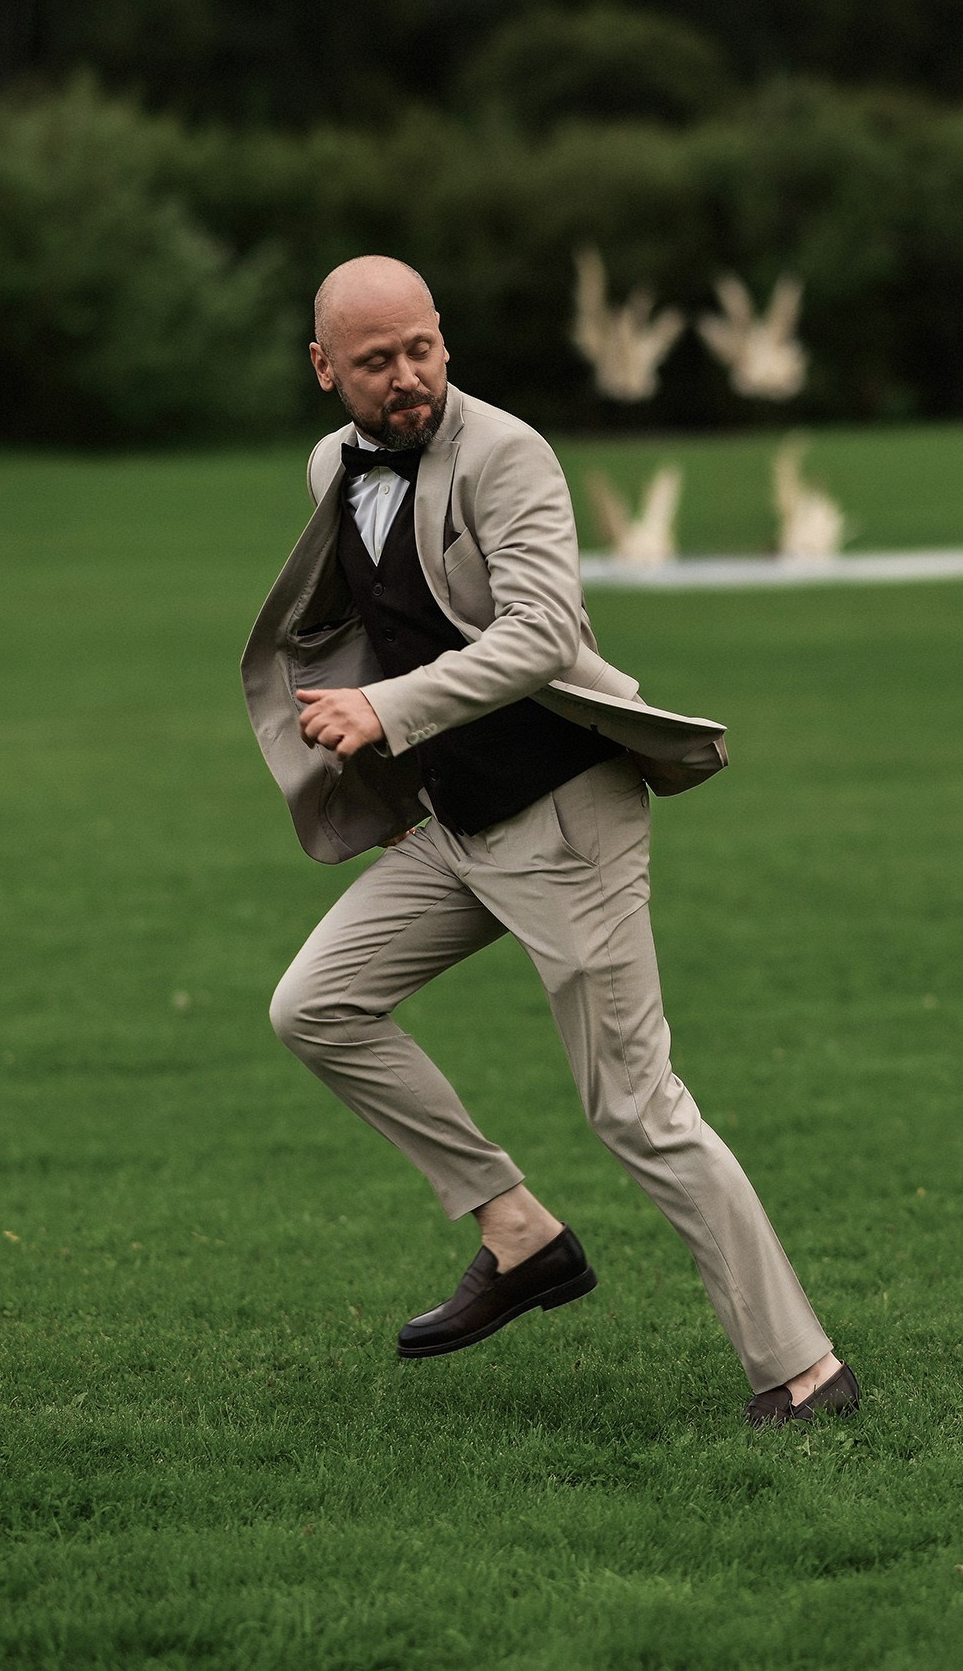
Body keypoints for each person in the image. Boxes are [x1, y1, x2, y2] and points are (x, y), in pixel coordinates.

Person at [242, 256, 856, 1426]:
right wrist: (386, 776)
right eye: (376, 361)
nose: (409, 375)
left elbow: (537, 634)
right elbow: (369, 621)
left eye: (422, 347)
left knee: (634, 1107)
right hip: (456, 827)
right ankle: (518, 1234)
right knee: (313, 1005)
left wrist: (387, 712)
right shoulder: (334, 466)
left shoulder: (508, 454)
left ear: (444, 339)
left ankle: (805, 1372)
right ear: (325, 370)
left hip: (567, 820)